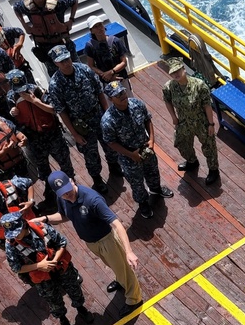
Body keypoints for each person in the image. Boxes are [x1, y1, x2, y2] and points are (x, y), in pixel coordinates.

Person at [37, 170, 142, 317]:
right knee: (114, 266)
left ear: (72, 181)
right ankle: (121, 280)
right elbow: (64, 215)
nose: (68, 195)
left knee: (124, 269)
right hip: (91, 243)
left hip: (107, 241)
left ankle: (134, 299)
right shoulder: (62, 199)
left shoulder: (93, 200)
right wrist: (46, 218)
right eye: (63, 193)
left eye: (68, 190)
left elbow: (117, 224)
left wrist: (129, 251)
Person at [0, 211, 92, 325]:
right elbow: (16, 267)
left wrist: (54, 261)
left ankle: (81, 308)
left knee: (74, 289)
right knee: (54, 301)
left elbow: (62, 243)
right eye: (11, 234)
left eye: (17, 232)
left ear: (24, 225)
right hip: (43, 280)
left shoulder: (41, 227)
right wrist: (39, 266)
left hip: (61, 268)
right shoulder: (11, 244)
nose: (15, 237)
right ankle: (63, 320)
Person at [48, 44, 120, 193]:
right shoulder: (55, 84)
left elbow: (99, 92)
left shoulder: (84, 70)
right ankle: (97, 180)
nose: (66, 63)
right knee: (91, 155)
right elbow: (62, 111)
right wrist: (75, 134)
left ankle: (114, 167)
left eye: (67, 59)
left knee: (110, 144)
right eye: (62, 61)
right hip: (81, 125)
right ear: (55, 63)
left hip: (98, 115)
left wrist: (107, 115)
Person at [100, 80, 173, 220]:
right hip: (128, 156)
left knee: (153, 172)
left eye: (122, 92)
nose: (122, 96)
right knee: (136, 182)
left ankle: (156, 190)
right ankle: (143, 203)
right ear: (111, 99)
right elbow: (111, 142)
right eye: (117, 95)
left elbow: (147, 120)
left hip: (146, 148)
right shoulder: (108, 120)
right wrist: (130, 154)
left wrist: (151, 140)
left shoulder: (137, 104)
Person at [6, 69, 73, 207]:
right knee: (43, 169)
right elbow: (13, 122)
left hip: (51, 134)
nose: (21, 92)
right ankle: (51, 195)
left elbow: (53, 109)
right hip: (33, 138)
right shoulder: (11, 97)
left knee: (64, 162)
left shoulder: (36, 90)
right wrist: (13, 112)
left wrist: (35, 101)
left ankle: (72, 188)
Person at [162, 58, 219, 185]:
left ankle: (213, 170)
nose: (176, 74)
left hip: (200, 121)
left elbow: (207, 105)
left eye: (178, 70)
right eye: (172, 72)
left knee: (209, 146)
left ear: (183, 69)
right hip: (183, 121)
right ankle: (192, 161)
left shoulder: (199, 85)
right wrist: (173, 117)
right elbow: (167, 100)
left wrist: (211, 124)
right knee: (181, 143)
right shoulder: (169, 87)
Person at [13, 0, 78, 75]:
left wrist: (71, 20)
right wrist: (25, 25)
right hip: (45, 49)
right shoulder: (26, 7)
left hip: (63, 43)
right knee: (55, 76)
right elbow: (16, 7)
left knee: (77, 70)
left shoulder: (59, 3)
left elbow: (74, 0)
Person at [83, 15, 130, 83]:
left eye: (100, 25)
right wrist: (104, 75)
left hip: (120, 77)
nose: (99, 28)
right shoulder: (90, 46)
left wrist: (111, 72)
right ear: (91, 31)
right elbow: (91, 66)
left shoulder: (116, 41)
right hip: (105, 81)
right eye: (95, 27)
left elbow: (124, 62)